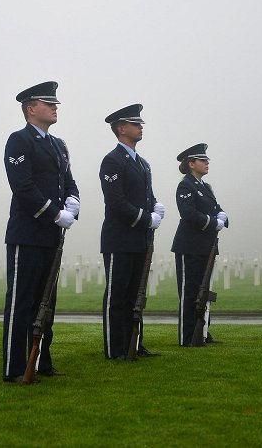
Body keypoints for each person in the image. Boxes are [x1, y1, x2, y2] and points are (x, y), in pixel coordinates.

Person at [2, 81, 80, 383]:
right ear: (31, 109)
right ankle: (14, 365)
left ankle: (42, 360)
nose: (55, 107)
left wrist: (73, 202)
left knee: (47, 303)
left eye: (55, 103)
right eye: (49, 104)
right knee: (22, 302)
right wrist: (54, 212)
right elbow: (22, 187)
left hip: (51, 235)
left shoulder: (58, 145)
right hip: (28, 233)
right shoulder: (19, 141)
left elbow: (68, 181)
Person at [99, 104, 165, 360]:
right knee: (117, 296)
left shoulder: (143, 163)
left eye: (140, 124)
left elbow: (144, 196)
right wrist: (145, 217)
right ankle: (115, 348)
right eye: (135, 124)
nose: (141, 127)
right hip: (120, 238)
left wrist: (155, 206)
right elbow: (116, 202)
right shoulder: (112, 160)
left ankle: (134, 343)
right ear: (121, 128)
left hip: (140, 239)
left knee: (135, 295)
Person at [171, 143, 229, 346]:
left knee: (204, 291)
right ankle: (187, 336)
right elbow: (188, 214)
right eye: (203, 160)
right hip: (190, 246)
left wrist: (223, 215)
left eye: (207, 160)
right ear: (191, 164)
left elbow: (216, 208)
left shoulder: (205, 187)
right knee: (190, 292)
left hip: (207, 246)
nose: (206, 163)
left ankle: (203, 331)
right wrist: (214, 222)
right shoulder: (186, 186)